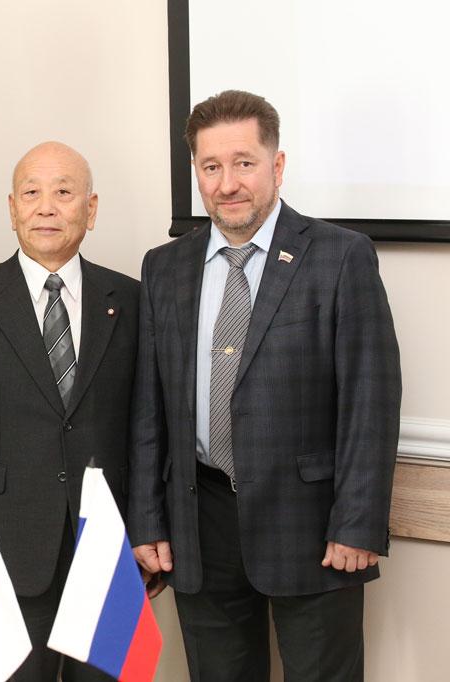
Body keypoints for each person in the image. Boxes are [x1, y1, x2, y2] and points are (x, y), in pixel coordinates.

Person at [128, 89, 401, 681]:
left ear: (277, 165)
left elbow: (371, 401)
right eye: (211, 166)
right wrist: (147, 520)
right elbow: (150, 409)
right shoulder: (164, 267)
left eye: (244, 163)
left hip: (312, 526)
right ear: (196, 172)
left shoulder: (340, 257)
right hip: (199, 525)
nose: (227, 183)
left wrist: (357, 522)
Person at [0, 141, 138, 681]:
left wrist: (148, 533)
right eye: (32, 193)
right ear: (12, 208)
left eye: (64, 192)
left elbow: (145, 427)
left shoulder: (131, 300)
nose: (46, 207)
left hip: (107, 547)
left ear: (90, 208)